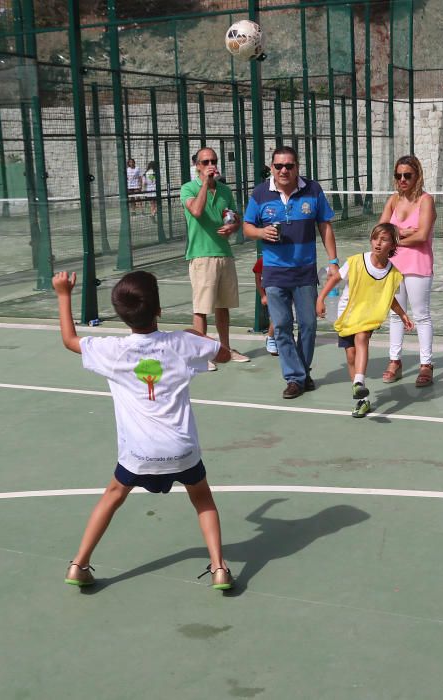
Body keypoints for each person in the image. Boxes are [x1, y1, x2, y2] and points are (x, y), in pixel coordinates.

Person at [52, 269, 234, 590]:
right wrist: (198, 334)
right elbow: (224, 354)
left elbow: (69, 340)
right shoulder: (183, 342)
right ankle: (219, 567)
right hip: (182, 449)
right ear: (159, 310)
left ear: (121, 315)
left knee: (113, 496)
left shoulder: (113, 350)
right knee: (202, 499)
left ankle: (79, 565)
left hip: (138, 453)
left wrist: (64, 294)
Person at [243, 145, 339, 400]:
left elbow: (325, 226)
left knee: (308, 324)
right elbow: (246, 227)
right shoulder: (261, 193)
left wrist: (334, 261)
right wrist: (261, 233)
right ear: (272, 168)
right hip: (274, 273)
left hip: (305, 271)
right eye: (278, 166)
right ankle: (295, 378)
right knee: (283, 326)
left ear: (297, 167)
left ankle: (301, 371)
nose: (284, 170)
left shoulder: (313, 190)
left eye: (289, 165)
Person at [316, 223, 414, 417]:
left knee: (362, 338)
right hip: (348, 313)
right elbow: (335, 279)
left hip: (368, 315)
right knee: (351, 356)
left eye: (384, 239)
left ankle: (359, 381)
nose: (378, 243)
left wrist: (403, 314)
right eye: (375, 238)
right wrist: (320, 298)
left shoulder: (393, 273)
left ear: (393, 245)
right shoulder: (356, 261)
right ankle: (362, 399)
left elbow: (388, 297)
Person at [181, 147, 249, 368]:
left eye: (213, 160)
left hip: (224, 254)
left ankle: (225, 349)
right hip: (201, 256)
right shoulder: (188, 189)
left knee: (223, 306)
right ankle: (200, 354)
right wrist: (204, 185)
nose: (211, 164)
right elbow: (197, 212)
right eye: (206, 161)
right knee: (201, 308)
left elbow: (233, 216)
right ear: (197, 166)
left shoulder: (224, 190)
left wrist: (232, 226)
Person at [378, 155, 436, 388]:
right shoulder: (393, 200)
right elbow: (380, 231)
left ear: (417, 176)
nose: (402, 179)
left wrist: (395, 236)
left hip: (418, 265)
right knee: (394, 315)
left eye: (407, 175)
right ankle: (395, 361)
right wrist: (404, 232)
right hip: (394, 267)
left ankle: (426, 365)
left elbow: (422, 236)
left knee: (421, 315)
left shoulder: (426, 200)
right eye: (398, 175)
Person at [252, 256, 277, 356]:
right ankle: (271, 338)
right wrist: (263, 296)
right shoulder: (262, 260)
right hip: (271, 294)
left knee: (286, 318)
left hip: (286, 293)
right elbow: (258, 280)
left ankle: (283, 340)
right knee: (276, 318)